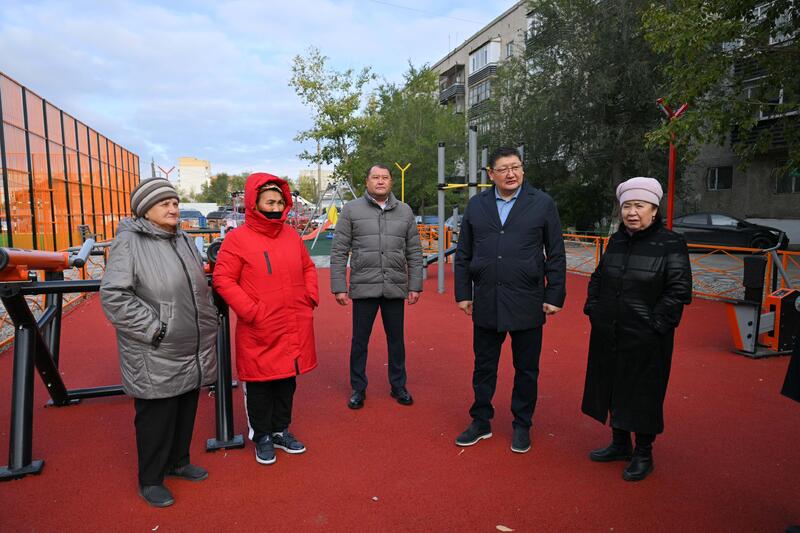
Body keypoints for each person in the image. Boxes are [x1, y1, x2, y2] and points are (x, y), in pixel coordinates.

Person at [100, 177, 218, 508]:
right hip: (155, 347)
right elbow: (114, 296)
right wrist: (155, 330)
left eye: (175, 203)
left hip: (190, 342)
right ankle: (150, 479)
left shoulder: (182, 238)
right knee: (156, 414)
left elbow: (195, 284)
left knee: (185, 405)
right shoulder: (129, 242)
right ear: (145, 209)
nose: (173, 209)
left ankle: (178, 461)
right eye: (164, 203)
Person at [453, 146, 566, 454]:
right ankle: (481, 421)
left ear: (523, 169)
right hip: (487, 298)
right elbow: (463, 253)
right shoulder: (477, 205)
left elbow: (556, 252)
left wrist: (555, 294)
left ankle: (522, 425)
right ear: (491, 174)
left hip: (527, 298)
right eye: (503, 169)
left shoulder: (541, 203)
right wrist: (463, 293)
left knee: (526, 369)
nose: (511, 173)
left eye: (515, 167)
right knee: (483, 367)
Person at [581, 176, 692, 482]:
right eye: (627, 206)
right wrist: (593, 309)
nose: (632, 212)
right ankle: (620, 443)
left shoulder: (671, 243)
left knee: (643, 393)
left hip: (648, 335)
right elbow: (599, 277)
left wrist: (656, 325)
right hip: (609, 329)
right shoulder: (616, 240)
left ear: (654, 210)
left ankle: (644, 453)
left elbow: (678, 290)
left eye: (639, 206)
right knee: (612, 385)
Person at [212, 173, 318, 465]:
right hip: (260, 326)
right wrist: (251, 311)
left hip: (292, 322)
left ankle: (281, 430)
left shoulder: (290, 236)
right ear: (254, 203)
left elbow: (308, 268)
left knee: (286, 382)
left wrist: (309, 297)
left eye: (279, 202)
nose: (275, 207)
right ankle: (262, 436)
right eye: (269, 202)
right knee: (260, 383)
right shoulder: (237, 239)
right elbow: (223, 279)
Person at [330, 164, 423, 409]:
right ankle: (358, 388)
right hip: (364, 286)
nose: (380, 181)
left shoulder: (404, 211)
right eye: (375, 177)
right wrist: (339, 286)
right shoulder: (352, 210)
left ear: (391, 181)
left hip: (395, 285)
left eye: (385, 177)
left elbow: (414, 251)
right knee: (360, 341)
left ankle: (398, 385)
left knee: (396, 341)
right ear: (367, 181)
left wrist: (415, 285)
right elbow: (339, 250)